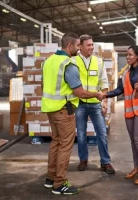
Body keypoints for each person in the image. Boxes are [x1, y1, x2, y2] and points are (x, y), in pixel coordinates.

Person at [41, 32, 105, 195]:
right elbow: (80, 92)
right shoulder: (68, 64)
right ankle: (60, 183)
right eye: (78, 45)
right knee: (65, 145)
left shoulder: (49, 61)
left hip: (50, 109)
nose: (79, 48)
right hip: (63, 110)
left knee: (56, 142)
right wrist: (97, 94)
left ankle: (51, 177)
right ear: (70, 46)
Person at [104, 45, 138, 185]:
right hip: (130, 110)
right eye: (127, 55)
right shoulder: (127, 74)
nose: (127, 57)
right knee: (133, 140)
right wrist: (105, 95)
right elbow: (120, 90)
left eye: (130, 55)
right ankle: (137, 167)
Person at [72, 34, 115, 174]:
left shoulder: (98, 61)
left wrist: (105, 102)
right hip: (80, 103)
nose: (91, 47)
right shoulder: (73, 61)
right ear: (81, 46)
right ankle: (83, 160)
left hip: (96, 103)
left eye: (92, 44)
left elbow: (104, 81)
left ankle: (105, 162)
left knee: (102, 133)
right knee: (82, 134)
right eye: (88, 45)